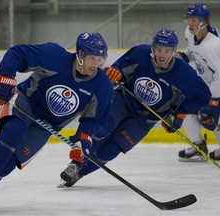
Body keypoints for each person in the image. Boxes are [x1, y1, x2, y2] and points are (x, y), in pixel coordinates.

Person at [0, 32, 114, 210]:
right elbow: (17, 53)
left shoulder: (103, 86)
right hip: (25, 104)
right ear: (80, 54)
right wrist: (5, 78)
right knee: (14, 133)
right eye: (92, 58)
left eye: (100, 59)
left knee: (12, 161)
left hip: (47, 126)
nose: (96, 64)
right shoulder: (54, 56)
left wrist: (83, 139)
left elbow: (93, 120)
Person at [58, 28, 211, 188]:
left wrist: (178, 114)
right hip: (123, 100)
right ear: (153, 46)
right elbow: (119, 68)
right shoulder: (140, 53)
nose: (162, 54)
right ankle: (75, 165)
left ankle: (79, 174)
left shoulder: (184, 73)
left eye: (167, 50)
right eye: (159, 48)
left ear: (174, 51)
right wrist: (115, 73)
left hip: (146, 119)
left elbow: (203, 96)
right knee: (99, 130)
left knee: (110, 150)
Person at [177, 3, 220, 161]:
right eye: (189, 19)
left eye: (194, 19)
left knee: (215, 118)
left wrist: (213, 101)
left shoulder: (214, 45)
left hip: (216, 85)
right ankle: (198, 146)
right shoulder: (190, 32)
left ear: (205, 21)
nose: (190, 23)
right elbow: (193, 49)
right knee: (187, 109)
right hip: (205, 83)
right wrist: (184, 57)